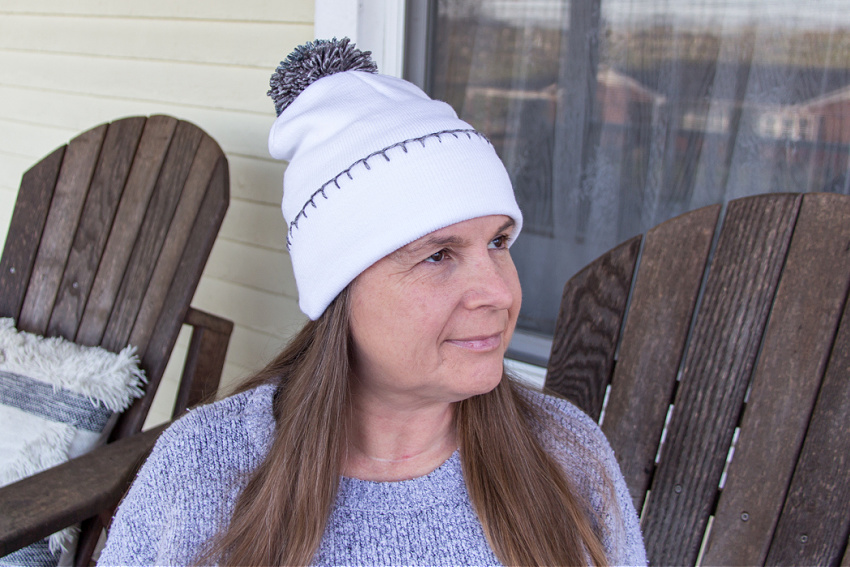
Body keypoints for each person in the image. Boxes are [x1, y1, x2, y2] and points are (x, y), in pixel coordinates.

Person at [98, 38, 646, 566]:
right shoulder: (203, 471)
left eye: (499, 242)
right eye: (438, 255)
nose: (501, 292)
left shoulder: (567, 455)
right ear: (339, 289)